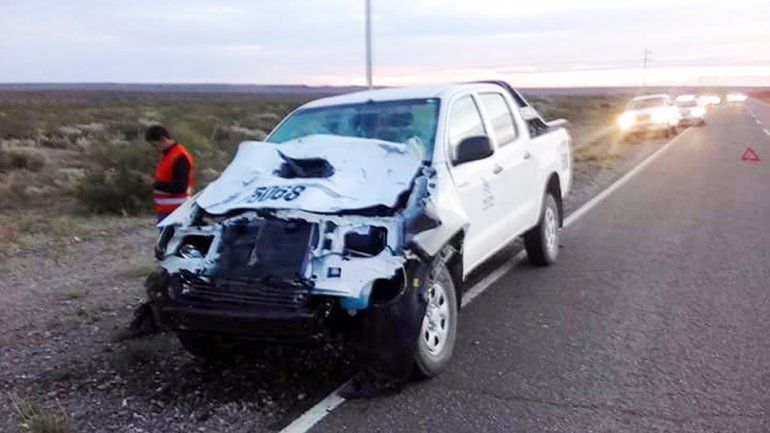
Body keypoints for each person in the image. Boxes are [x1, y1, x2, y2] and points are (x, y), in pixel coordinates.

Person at [142, 125, 195, 223]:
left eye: (155, 145)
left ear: (163, 139)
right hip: (167, 211)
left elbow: (180, 187)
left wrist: (154, 184)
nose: (154, 148)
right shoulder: (168, 155)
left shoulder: (180, 156)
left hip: (176, 213)